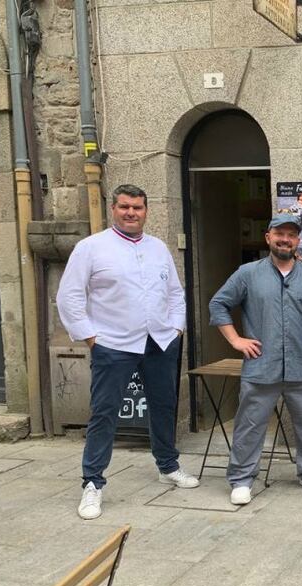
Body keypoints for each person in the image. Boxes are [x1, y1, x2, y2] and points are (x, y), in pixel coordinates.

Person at [57, 184, 196, 521]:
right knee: (104, 412)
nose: (131, 212)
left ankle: (167, 465)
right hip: (113, 343)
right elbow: (70, 296)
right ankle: (92, 483)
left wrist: (176, 327)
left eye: (137, 207)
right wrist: (91, 337)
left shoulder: (159, 248)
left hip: (159, 341)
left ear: (147, 211)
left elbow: (176, 293)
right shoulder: (91, 248)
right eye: (124, 207)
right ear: (113, 209)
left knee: (163, 405)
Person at [209, 214, 302, 504]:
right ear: (268, 237)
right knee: (250, 424)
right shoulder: (248, 273)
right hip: (261, 365)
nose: (285, 239)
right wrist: (236, 340)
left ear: (297, 241)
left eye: (291, 235)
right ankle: (241, 478)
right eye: (279, 234)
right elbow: (219, 304)